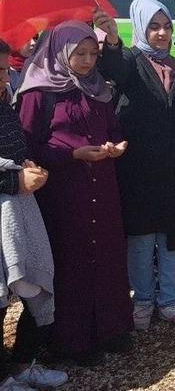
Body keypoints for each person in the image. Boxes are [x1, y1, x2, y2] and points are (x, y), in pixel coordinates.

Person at [17, 19, 135, 365]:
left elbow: (113, 127)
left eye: (92, 54)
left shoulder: (96, 87)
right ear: (59, 52)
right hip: (62, 193)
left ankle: (110, 330)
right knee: (71, 263)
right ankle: (73, 342)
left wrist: (118, 144)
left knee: (107, 256)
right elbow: (27, 146)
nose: (86, 61)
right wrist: (71, 154)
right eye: (78, 53)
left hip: (102, 185)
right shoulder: (38, 93)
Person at [97, 0, 175, 330]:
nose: (161, 33)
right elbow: (111, 70)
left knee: (173, 236)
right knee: (141, 237)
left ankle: (170, 300)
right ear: (141, 27)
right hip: (138, 167)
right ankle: (142, 300)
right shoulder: (130, 59)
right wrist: (113, 40)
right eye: (154, 26)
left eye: (166, 26)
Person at [0, 46, 68, 388]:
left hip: (17, 211)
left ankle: (24, 363)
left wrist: (28, 167)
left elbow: (16, 148)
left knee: (35, 284)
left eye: (2, 71)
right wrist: (14, 179)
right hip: (7, 206)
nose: (2, 78)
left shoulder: (4, 104)